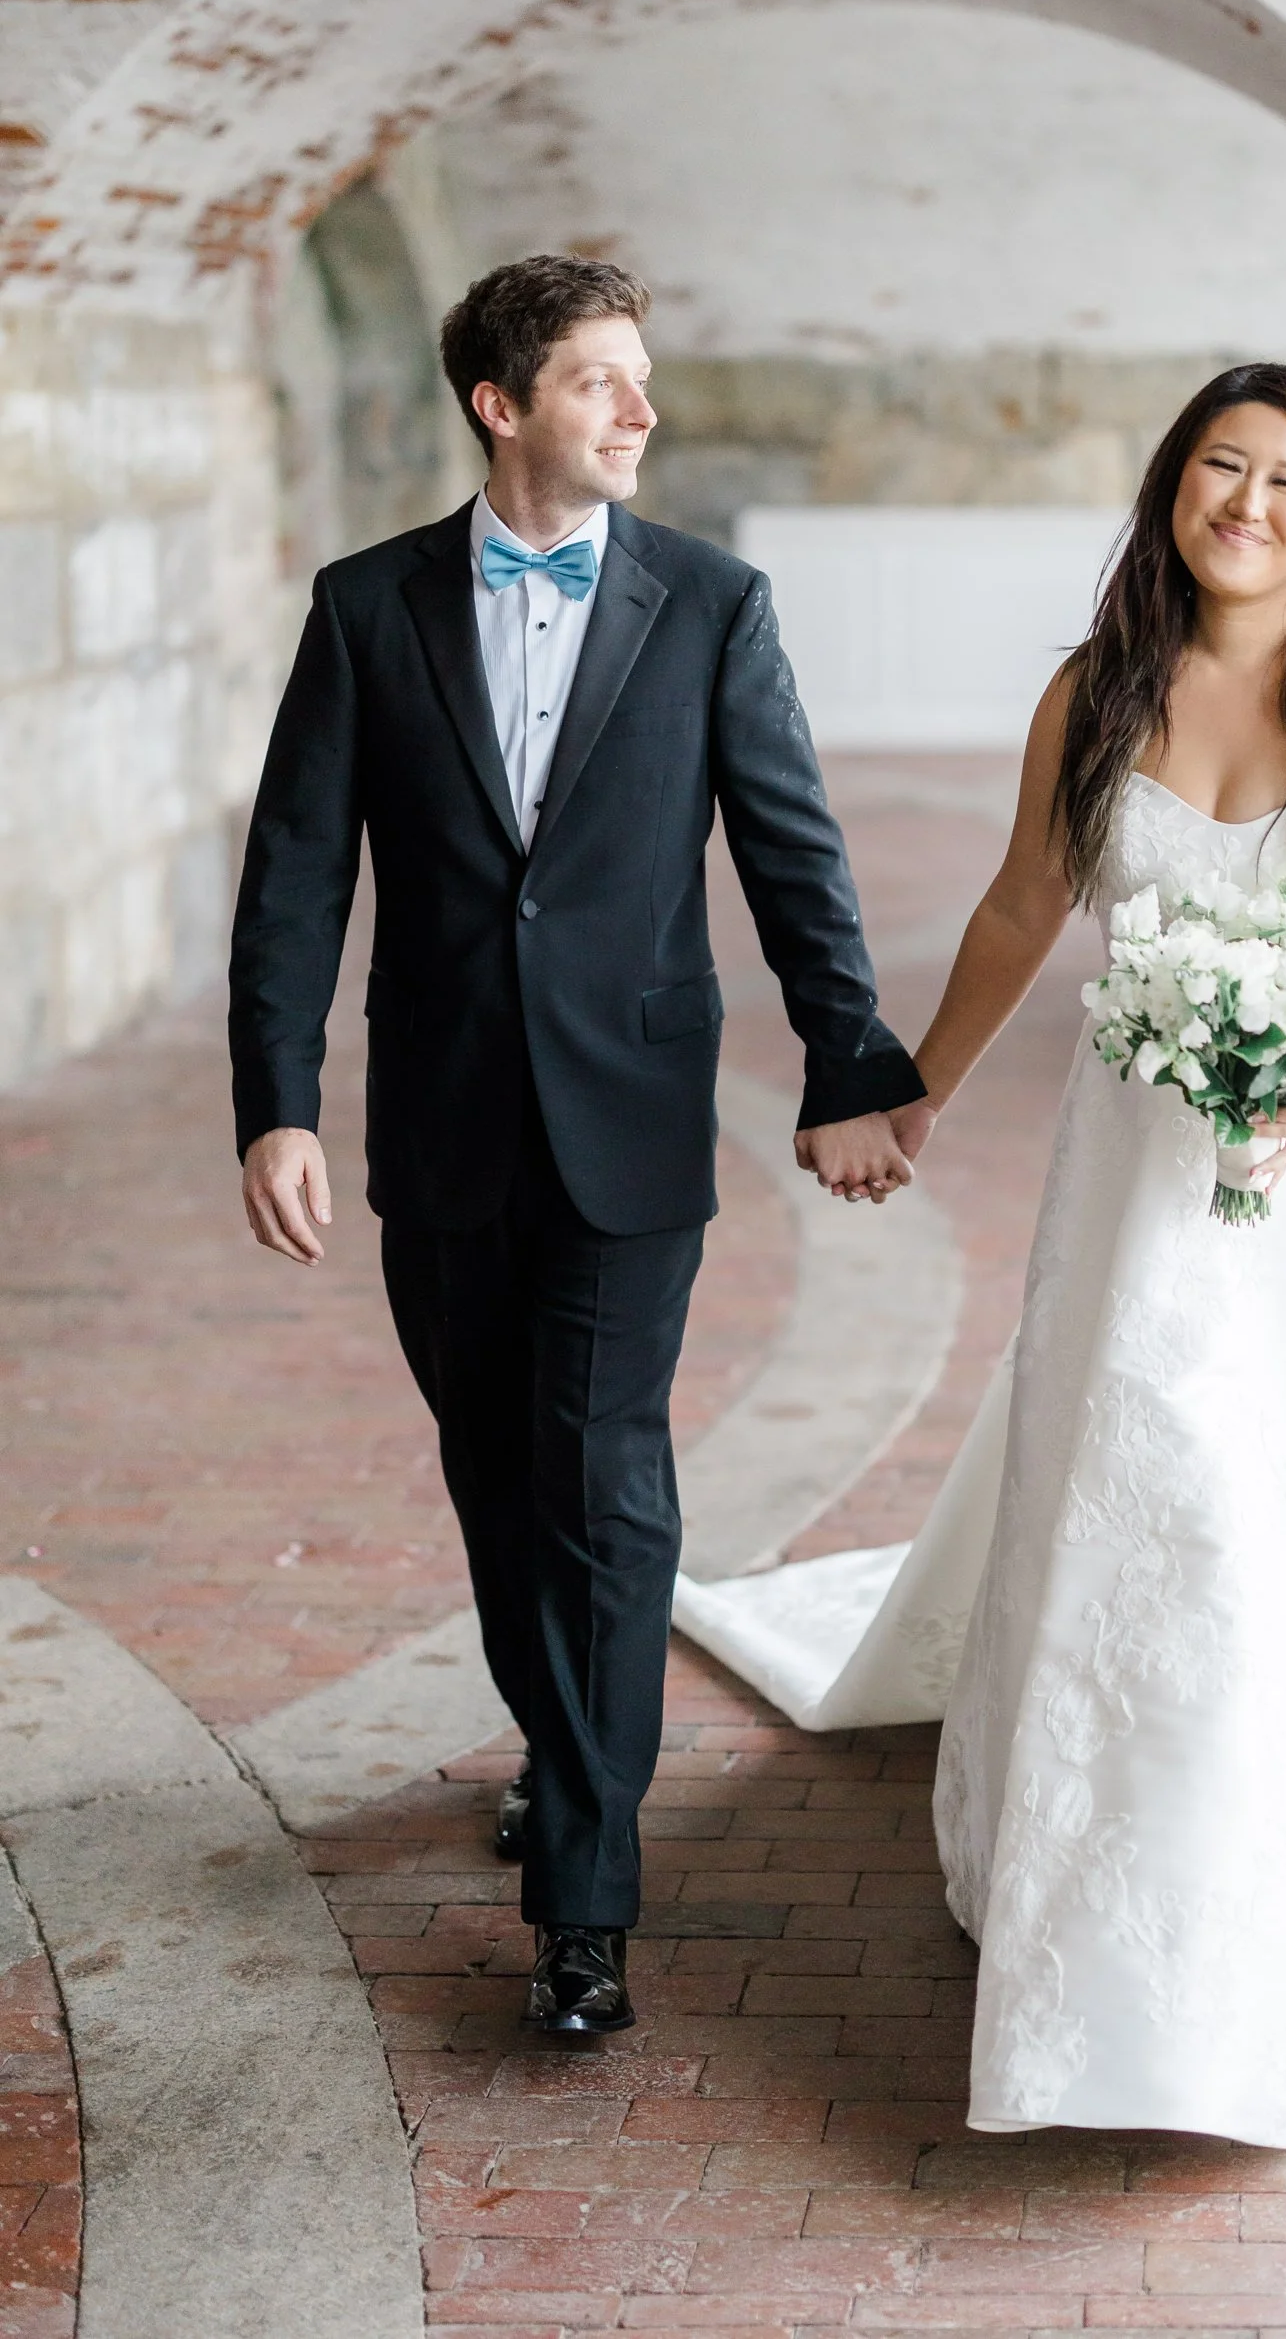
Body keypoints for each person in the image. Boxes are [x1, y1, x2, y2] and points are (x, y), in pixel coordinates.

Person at [675, 362, 1286, 2146]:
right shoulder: (1098, 688)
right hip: (1139, 1161)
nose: (1250, 503)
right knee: (1162, 1474)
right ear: (1171, 489)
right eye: (1222, 466)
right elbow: (1018, 905)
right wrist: (911, 1097)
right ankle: (1126, 1834)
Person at [229, 254, 924, 2037]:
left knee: (607, 1485)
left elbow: (793, 853)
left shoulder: (710, 604)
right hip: (442, 1127)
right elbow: (299, 870)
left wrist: (847, 1063)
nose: (643, 408)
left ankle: (586, 1904)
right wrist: (277, 1104)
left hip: (629, 1123)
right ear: (502, 402)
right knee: (494, 1473)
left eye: (642, 378)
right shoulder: (368, 607)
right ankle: (565, 1747)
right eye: (604, 380)